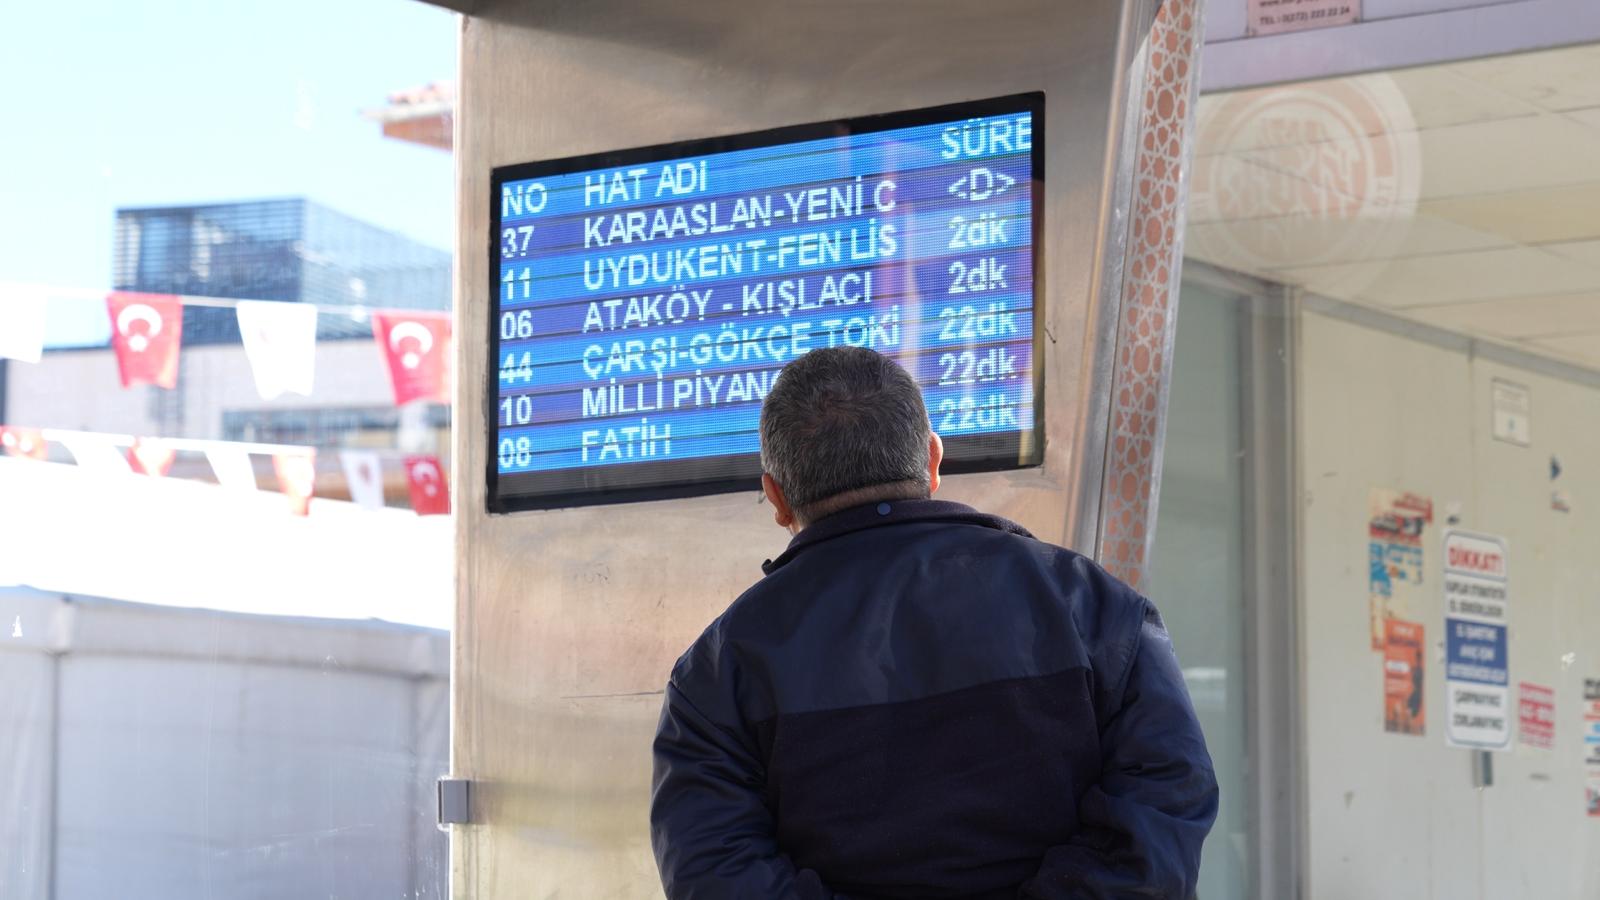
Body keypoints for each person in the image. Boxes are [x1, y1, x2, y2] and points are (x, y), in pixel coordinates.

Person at [650, 346, 1218, 899]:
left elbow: (717, 873)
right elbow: (1162, 814)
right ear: (933, 460)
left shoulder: (717, 672)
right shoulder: (1094, 607)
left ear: (775, 496)